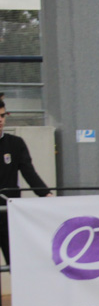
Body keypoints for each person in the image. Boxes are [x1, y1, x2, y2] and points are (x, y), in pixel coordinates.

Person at [0, 101, 53, 267]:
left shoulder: (15, 143)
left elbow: (29, 173)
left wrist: (46, 194)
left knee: (16, 264)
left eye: (2, 115)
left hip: (8, 214)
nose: (0, 120)